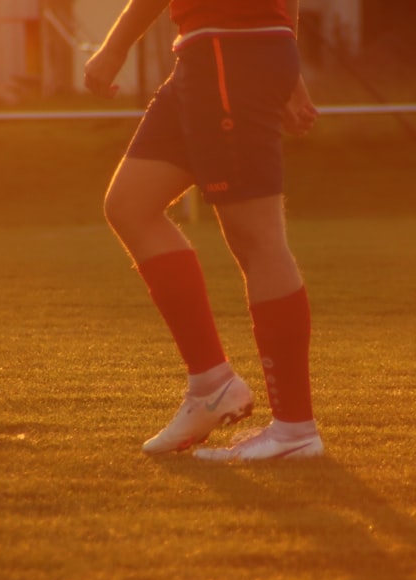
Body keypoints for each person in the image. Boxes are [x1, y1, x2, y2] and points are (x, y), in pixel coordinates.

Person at [84, 0, 323, 461]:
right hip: (206, 52)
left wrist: (114, 48)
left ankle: (295, 430)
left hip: (228, 50)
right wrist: (289, 71)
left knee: (259, 240)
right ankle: (211, 385)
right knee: (130, 204)